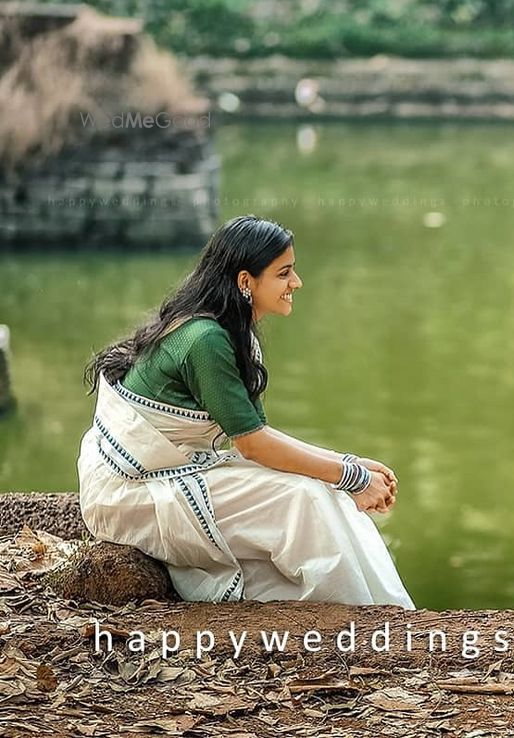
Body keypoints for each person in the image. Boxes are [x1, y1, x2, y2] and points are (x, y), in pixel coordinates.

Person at [78, 214, 413, 607]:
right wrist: (351, 474)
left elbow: (258, 439)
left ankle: (384, 613)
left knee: (323, 491)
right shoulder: (205, 339)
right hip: (129, 494)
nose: (297, 283)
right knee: (303, 500)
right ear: (245, 282)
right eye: (284, 273)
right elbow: (254, 446)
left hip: (168, 473)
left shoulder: (233, 332)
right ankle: (359, 620)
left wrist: (346, 467)